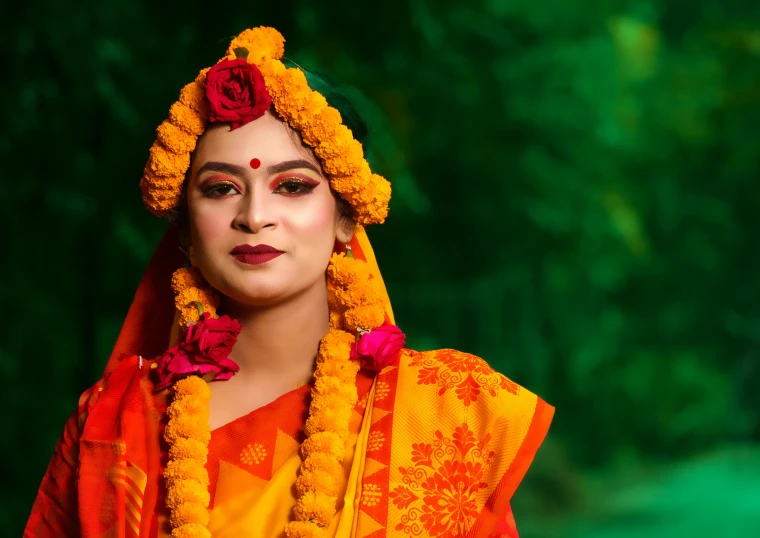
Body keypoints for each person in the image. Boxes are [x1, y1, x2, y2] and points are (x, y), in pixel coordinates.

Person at [24, 26, 554, 538]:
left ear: (346, 216)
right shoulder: (115, 424)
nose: (255, 216)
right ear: (184, 226)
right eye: (221, 188)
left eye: (293, 186)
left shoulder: (441, 415)